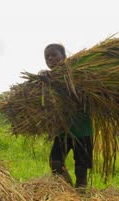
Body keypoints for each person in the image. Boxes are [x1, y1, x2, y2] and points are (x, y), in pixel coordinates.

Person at [41, 43, 93, 188]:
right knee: (55, 161)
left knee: (81, 165)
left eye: (54, 55)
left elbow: (76, 97)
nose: (50, 58)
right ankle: (69, 190)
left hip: (82, 128)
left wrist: (53, 83)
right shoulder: (47, 77)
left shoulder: (75, 73)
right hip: (63, 130)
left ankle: (81, 191)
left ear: (64, 57)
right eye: (47, 57)